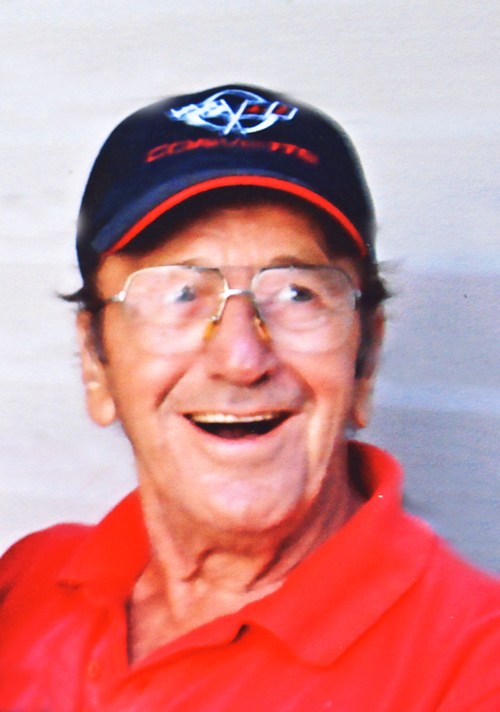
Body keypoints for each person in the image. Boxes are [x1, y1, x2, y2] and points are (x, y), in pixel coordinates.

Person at [0, 84, 499, 712]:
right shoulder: (24, 586)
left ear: (365, 358)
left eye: (296, 294)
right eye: (178, 294)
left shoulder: (473, 666)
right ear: (96, 362)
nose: (241, 359)